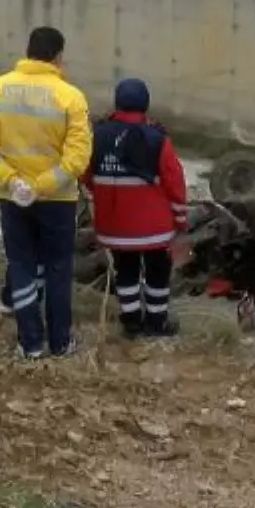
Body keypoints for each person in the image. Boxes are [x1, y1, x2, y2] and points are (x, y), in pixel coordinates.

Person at [0, 26, 92, 360]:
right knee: (58, 268)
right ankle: (61, 342)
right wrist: (42, 186)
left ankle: (30, 343)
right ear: (58, 56)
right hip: (58, 201)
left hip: (11, 197)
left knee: (21, 264)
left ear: (28, 50)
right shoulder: (70, 97)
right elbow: (77, 158)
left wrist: (11, 180)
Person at [82, 78, 187, 338]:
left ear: (117, 102)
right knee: (157, 273)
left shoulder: (96, 136)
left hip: (113, 227)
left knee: (125, 271)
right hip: (154, 229)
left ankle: (131, 321)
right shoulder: (157, 139)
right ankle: (156, 323)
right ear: (146, 106)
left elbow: (85, 176)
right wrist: (180, 222)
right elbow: (175, 183)